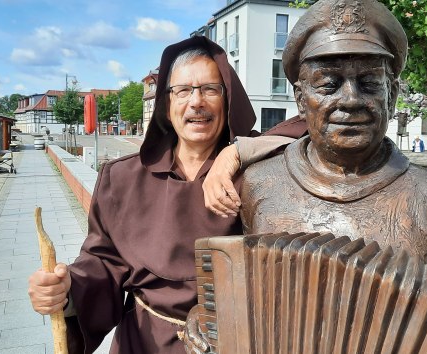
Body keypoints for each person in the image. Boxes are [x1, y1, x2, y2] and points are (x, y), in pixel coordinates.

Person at [27, 36, 302, 353]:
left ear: (228, 101)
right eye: (183, 90)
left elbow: (315, 124)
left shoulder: (258, 173)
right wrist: (67, 292)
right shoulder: (121, 178)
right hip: (146, 342)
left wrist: (235, 154)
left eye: (210, 89)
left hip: (236, 343)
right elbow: (103, 263)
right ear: (166, 105)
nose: (196, 101)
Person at [204, 0, 427, 290]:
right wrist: (209, 320)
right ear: (300, 99)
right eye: (328, 84)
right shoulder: (260, 183)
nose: (350, 100)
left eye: (369, 82)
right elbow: (244, 285)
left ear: (392, 95)